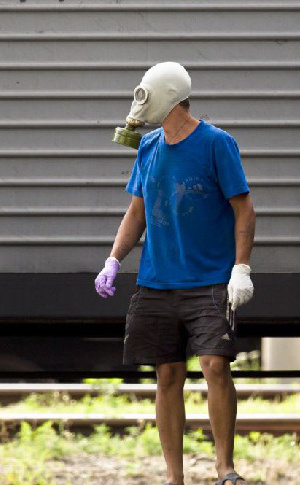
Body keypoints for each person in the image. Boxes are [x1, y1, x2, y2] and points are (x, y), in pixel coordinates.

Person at [94, 62, 255, 485]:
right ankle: (174, 478)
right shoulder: (148, 147)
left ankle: (225, 469)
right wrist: (114, 259)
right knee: (167, 374)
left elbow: (244, 209)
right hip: (157, 282)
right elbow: (137, 212)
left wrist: (241, 268)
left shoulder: (217, 143)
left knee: (215, 365)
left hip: (209, 280)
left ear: (167, 97)